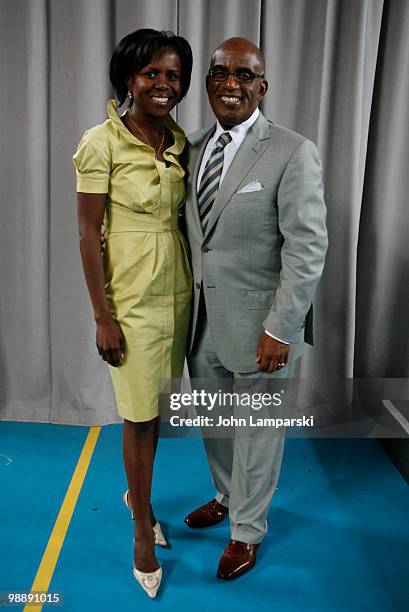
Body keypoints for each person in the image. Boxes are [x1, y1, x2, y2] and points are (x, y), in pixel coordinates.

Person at [183, 37, 328, 580]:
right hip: (200, 325)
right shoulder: (193, 148)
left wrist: (282, 327)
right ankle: (226, 496)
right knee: (216, 425)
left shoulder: (293, 150)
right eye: (220, 73)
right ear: (207, 84)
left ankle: (247, 530)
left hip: (263, 329)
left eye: (244, 75)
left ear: (262, 87)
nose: (231, 83)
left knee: (259, 431)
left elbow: (307, 247)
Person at [73, 29, 193, 598]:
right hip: (129, 298)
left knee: (156, 409)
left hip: (178, 291)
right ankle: (142, 530)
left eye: (172, 75)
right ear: (128, 78)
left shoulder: (177, 139)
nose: (163, 85)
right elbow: (86, 232)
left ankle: (135, 494)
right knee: (138, 415)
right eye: (151, 74)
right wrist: (103, 315)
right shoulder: (100, 142)